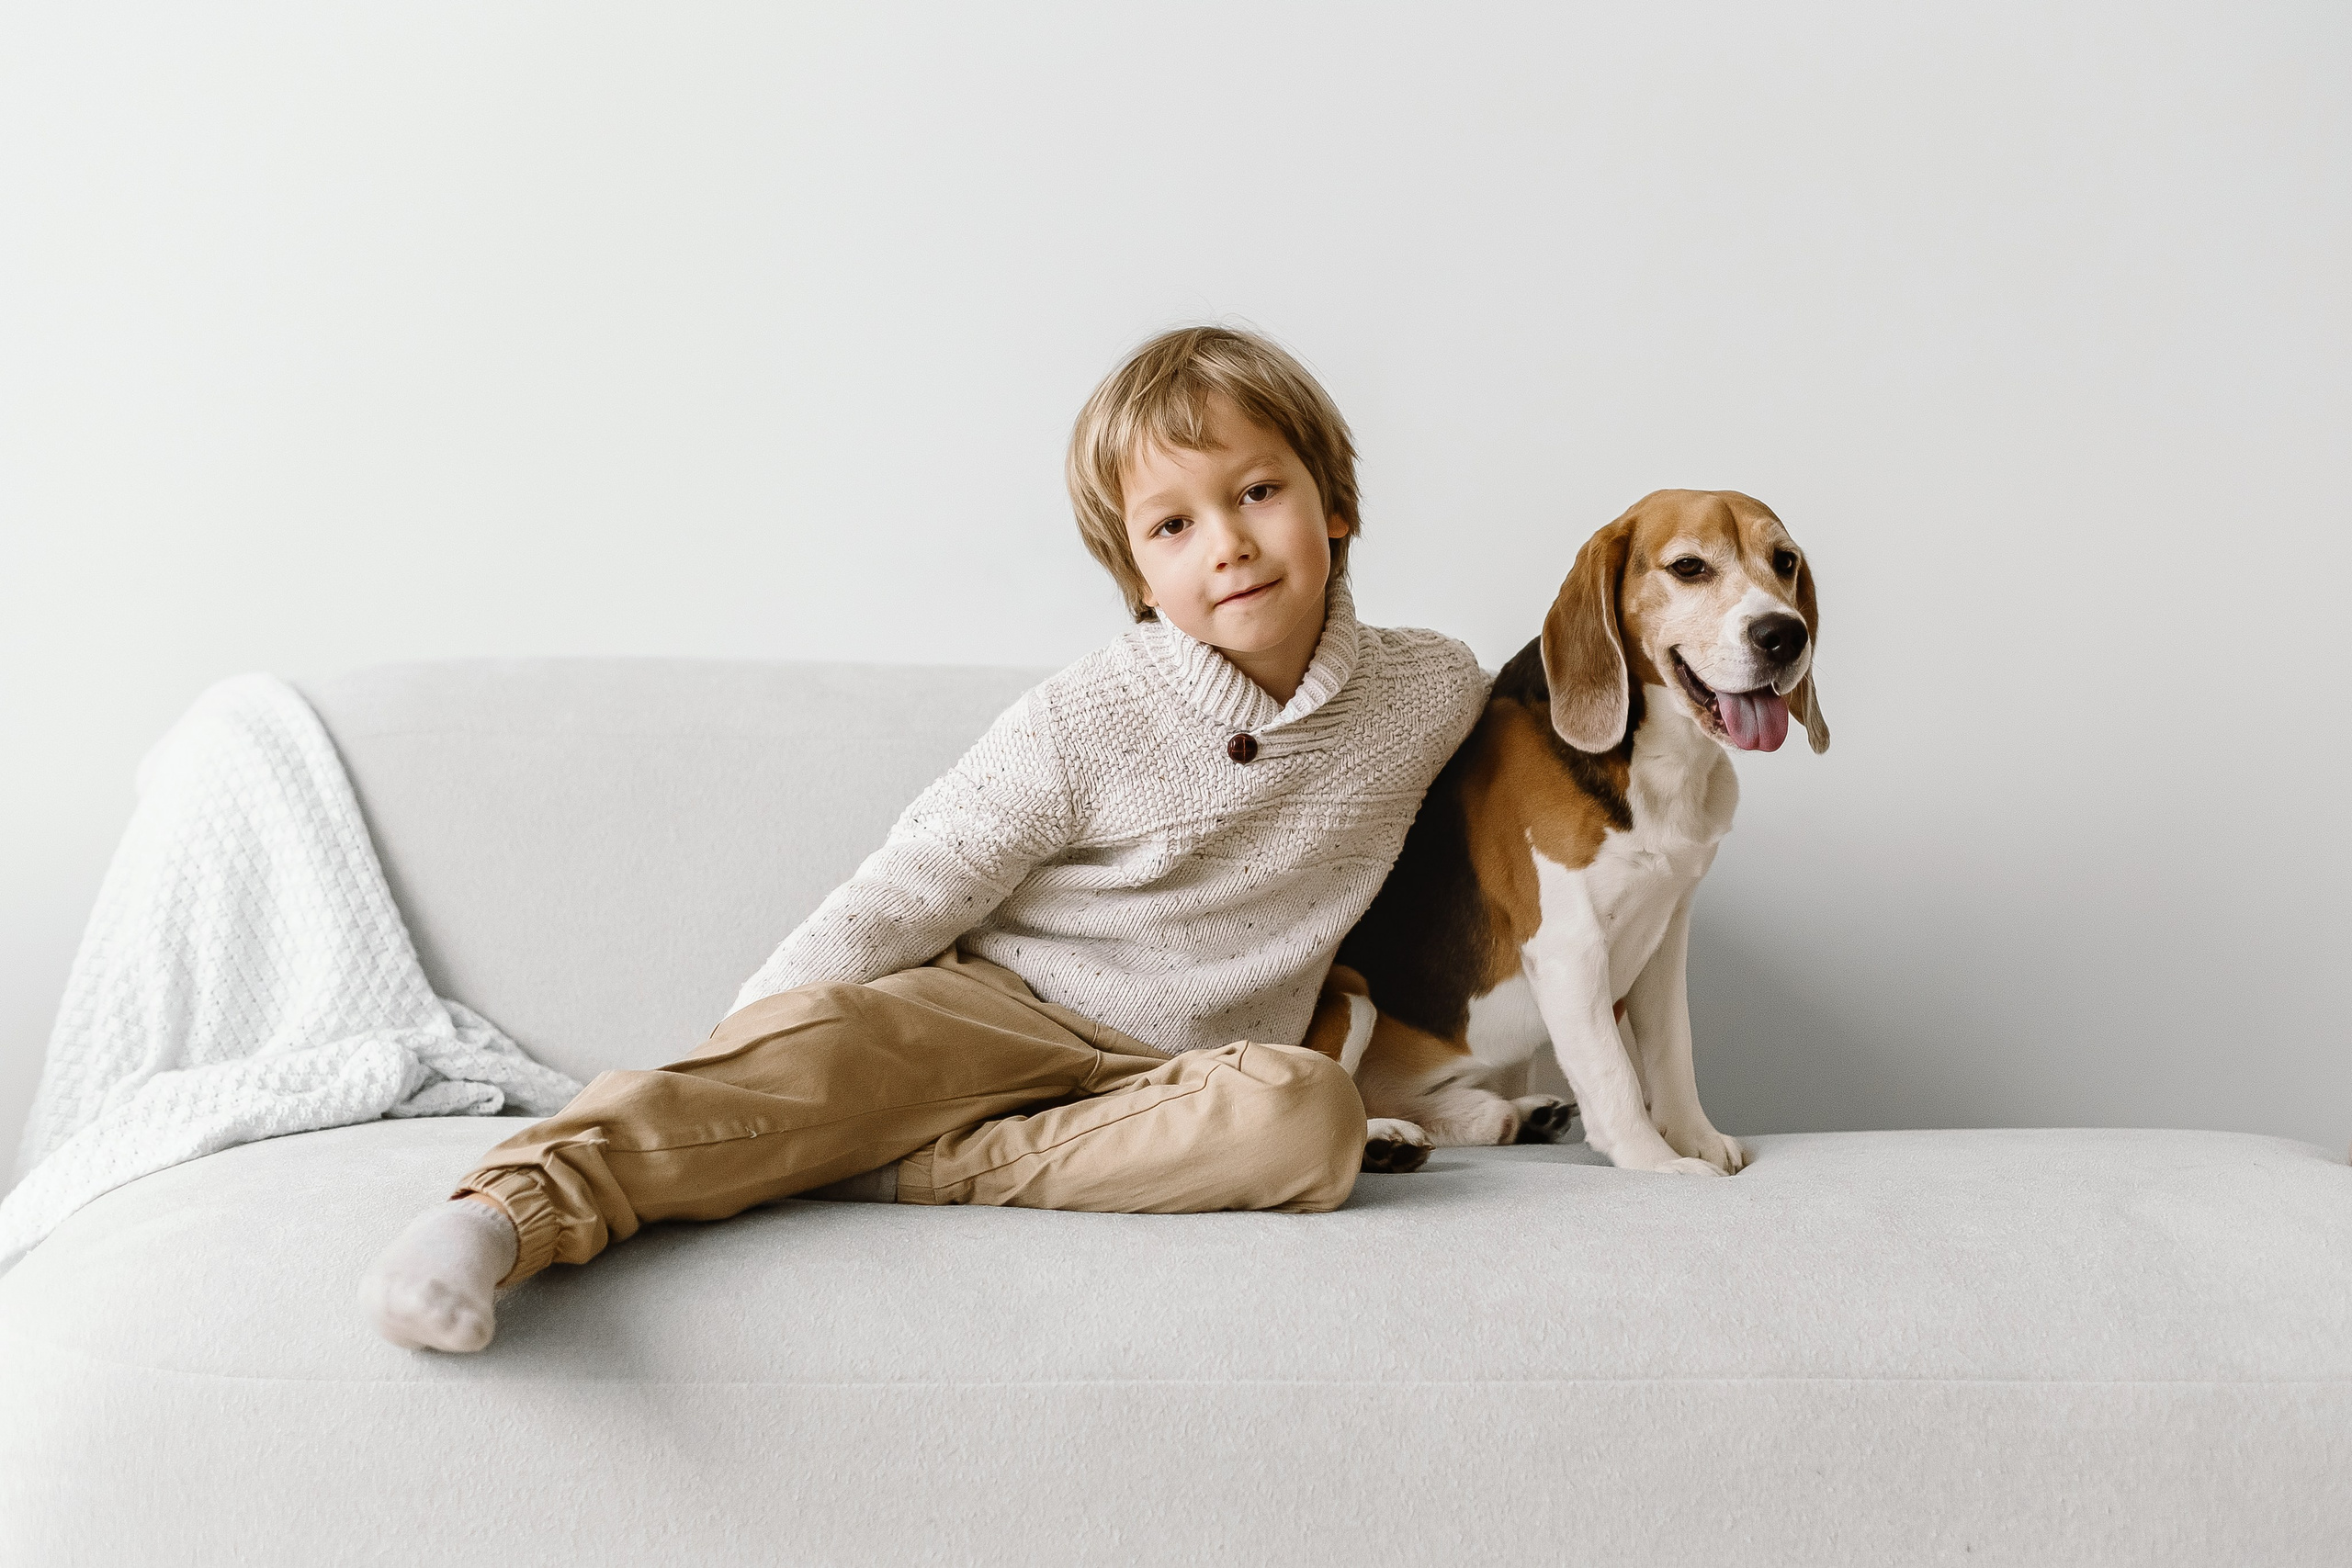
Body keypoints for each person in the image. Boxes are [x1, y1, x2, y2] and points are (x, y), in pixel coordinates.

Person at [359, 325, 1491, 1351]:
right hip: (997, 1014)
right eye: (1174, 525)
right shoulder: (1086, 715)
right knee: (830, 1047)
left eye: (1257, 492)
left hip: (1192, 1078)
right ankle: (499, 1218)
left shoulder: (1428, 689)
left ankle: (906, 1170)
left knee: (1310, 1122)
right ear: (1138, 578)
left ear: (1334, 503)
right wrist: (760, 1044)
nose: (1228, 545)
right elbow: (909, 886)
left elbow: (1569, 773)